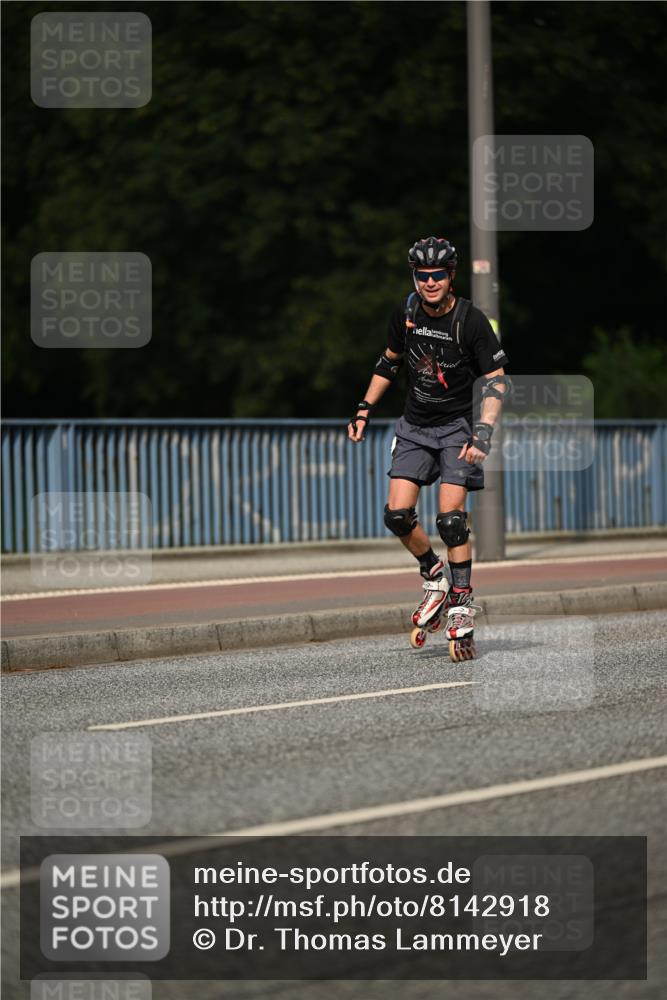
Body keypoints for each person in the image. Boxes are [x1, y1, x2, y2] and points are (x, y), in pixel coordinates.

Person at [347, 236, 510, 659]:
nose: (430, 282)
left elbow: (496, 380)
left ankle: (461, 604)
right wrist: (364, 409)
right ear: (415, 277)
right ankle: (434, 576)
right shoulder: (406, 313)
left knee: (451, 522)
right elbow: (389, 361)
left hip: (458, 429)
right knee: (397, 515)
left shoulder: (470, 321)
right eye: (423, 275)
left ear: (451, 276)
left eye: (438, 274)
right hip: (415, 427)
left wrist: (484, 431)